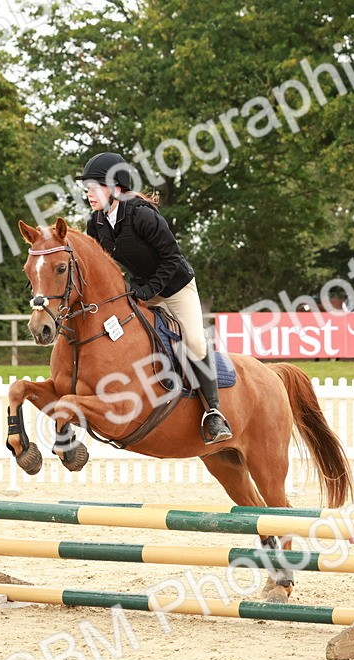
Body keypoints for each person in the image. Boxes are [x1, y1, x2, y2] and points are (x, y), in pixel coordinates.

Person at [76, 152, 233, 445]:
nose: (89, 194)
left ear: (116, 188)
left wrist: (149, 291)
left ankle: (213, 413)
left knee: (195, 341)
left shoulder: (142, 215)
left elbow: (171, 258)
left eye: (94, 187)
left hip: (175, 287)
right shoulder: (95, 224)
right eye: (87, 188)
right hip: (141, 288)